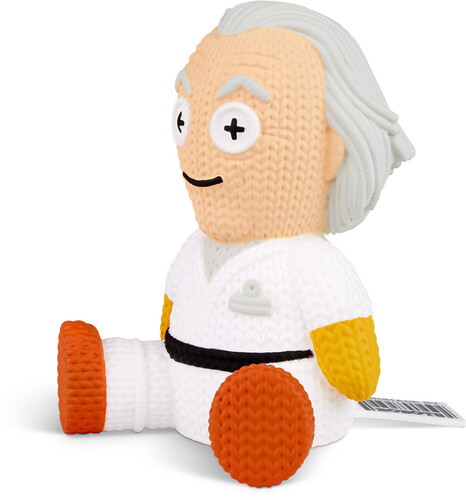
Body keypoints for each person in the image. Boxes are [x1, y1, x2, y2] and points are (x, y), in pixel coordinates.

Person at [57, 1, 414, 487]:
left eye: (232, 129)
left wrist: (351, 371)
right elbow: (170, 316)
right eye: (184, 120)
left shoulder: (309, 264)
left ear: (331, 150)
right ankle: (100, 385)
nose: (195, 153)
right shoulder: (196, 246)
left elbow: (355, 369)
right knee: (147, 376)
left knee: (264, 397)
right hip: (183, 384)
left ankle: (266, 429)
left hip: (273, 393)